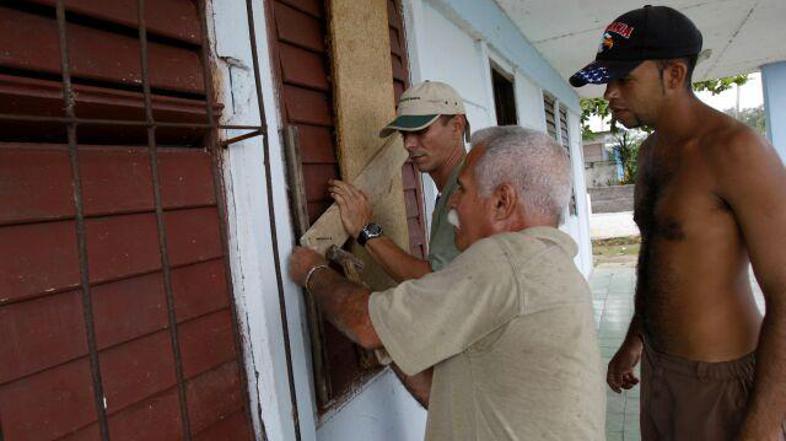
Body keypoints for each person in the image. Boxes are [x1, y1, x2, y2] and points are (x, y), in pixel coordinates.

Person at [290, 126, 605, 440]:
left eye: (463, 189)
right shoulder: (553, 268)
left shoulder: (506, 260)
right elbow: (441, 395)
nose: (452, 202)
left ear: (502, 202)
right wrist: (393, 339)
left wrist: (312, 271)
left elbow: (364, 324)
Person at [570, 5, 786, 440]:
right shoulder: (651, 154)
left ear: (673, 74)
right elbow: (659, 258)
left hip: (720, 384)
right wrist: (635, 339)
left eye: (624, 79)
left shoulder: (737, 151)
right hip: (660, 372)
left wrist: (763, 420)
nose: (609, 93)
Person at [327, 80, 469, 281]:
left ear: (457, 126)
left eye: (421, 131)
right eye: (404, 134)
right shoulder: (455, 184)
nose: (409, 144)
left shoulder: (464, 189)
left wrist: (364, 228)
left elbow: (436, 284)